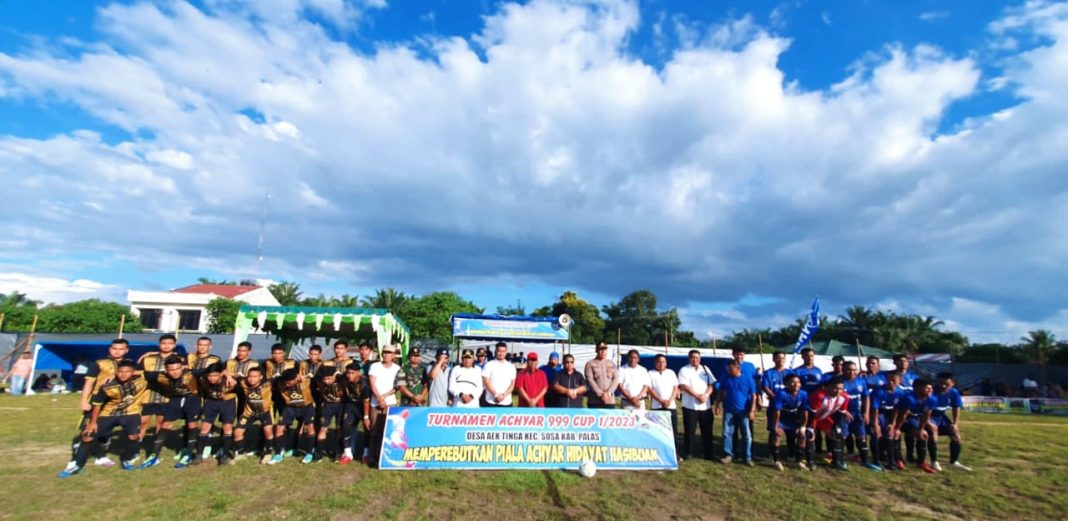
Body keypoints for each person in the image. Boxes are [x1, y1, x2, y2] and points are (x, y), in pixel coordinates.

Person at [58, 360, 147, 477]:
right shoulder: (107, 385)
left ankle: (126, 459)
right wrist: (93, 422)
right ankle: (78, 465)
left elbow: (155, 371)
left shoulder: (142, 379)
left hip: (131, 412)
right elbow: (97, 405)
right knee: (87, 436)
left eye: (127, 372)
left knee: (134, 436)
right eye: (120, 371)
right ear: (116, 372)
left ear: (133, 372)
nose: (123, 374)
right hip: (108, 413)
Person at [64, 338, 130, 473]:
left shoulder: (128, 365)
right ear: (110, 349)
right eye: (114, 348)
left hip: (115, 402)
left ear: (126, 350)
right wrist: (84, 401)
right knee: (88, 430)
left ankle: (100, 456)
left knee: (106, 431)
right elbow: (88, 383)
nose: (117, 352)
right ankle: (75, 461)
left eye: (121, 349)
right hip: (96, 401)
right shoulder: (99, 363)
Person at [139, 354, 201, 469]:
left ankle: (188, 454)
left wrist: (226, 375)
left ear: (182, 367)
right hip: (175, 400)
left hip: (192, 399)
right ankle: (154, 455)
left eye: (177, 369)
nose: (175, 372)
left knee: (192, 424)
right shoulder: (161, 376)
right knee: (165, 425)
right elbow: (140, 373)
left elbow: (214, 369)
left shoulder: (192, 373)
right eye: (171, 370)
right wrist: (114, 375)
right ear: (166, 370)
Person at [138, 334, 179, 450]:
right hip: (148, 394)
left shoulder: (179, 359)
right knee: (143, 421)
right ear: (159, 344)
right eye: (164, 343)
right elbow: (137, 372)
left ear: (174, 345)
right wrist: (145, 355)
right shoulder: (149, 359)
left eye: (170, 343)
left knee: (161, 422)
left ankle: (158, 445)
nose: (166, 346)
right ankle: (137, 443)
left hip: (167, 396)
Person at [194, 362, 238, 467]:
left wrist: (227, 375)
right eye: (209, 375)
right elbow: (195, 372)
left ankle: (225, 455)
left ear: (220, 374)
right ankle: (199, 454)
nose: (211, 378)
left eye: (214, 375)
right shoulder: (203, 379)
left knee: (227, 427)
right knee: (204, 427)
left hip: (227, 403)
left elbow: (239, 385)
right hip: (211, 402)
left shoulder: (230, 382)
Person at [716, 360, 757, 466]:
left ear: (737, 368)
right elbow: (720, 392)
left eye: (731, 369)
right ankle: (728, 454)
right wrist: (717, 405)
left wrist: (752, 410)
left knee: (746, 434)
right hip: (729, 410)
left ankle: (747, 457)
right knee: (727, 433)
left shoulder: (748, 379)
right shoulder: (726, 378)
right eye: (728, 370)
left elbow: (753, 396)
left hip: (743, 411)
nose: (729, 371)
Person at [233, 366, 278, 464]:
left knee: (267, 430)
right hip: (249, 412)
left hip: (265, 411)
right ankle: (240, 453)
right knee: (237, 432)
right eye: (249, 376)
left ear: (261, 377)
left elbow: (283, 377)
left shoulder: (268, 384)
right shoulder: (243, 382)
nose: (251, 379)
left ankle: (268, 453)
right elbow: (230, 375)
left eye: (255, 376)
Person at [677, 350, 715, 461]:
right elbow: (684, 386)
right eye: (693, 358)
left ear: (700, 358)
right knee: (689, 430)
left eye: (697, 358)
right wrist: (698, 396)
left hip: (705, 406)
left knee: (707, 430)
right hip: (690, 406)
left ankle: (709, 453)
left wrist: (706, 395)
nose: (695, 360)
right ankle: (689, 452)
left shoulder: (705, 369)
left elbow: (711, 384)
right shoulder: (684, 370)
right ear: (689, 358)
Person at [842, 361, 881, 471]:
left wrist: (866, 412)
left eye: (854, 369)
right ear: (843, 370)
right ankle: (843, 458)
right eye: (848, 369)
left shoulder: (861, 381)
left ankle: (864, 460)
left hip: (858, 414)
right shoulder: (840, 382)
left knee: (861, 436)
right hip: (844, 414)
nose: (851, 372)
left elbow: (866, 397)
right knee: (844, 435)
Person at [895, 378, 939, 474]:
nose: (930, 390)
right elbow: (902, 415)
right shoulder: (909, 398)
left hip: (916, 418)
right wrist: (897, 428)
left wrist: (921, 429)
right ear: (917, 388)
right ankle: (898, 459)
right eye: (927, 388)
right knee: (897, 434)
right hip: (901, 418)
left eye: (931, 388)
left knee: (924, 434)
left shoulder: (932, 399)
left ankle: (921, 462)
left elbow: (926, 414)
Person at [367, 345, 401, 467]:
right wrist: (379, 398)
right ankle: (371, 456)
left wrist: (385, 397)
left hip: (390, 403)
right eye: (384, 352)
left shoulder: (397, 368)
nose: (386, 354)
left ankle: (384, 457)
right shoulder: (375, 366)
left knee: (387, 432)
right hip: (376, 402)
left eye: (389, 352)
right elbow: (372, 384)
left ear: (394, 355)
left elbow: (397, 386)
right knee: (374, 431)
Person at [808, 377, 851, 471]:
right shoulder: (819, 396)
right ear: (827, 387)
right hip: (811, 418)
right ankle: (810, 462)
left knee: (836, 434)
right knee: (810, 435)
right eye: (836, 388)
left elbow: (840, 412)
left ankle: (837, 462)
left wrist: (836, 425)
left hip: (824, 418)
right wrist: (811, 427)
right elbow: (811, 413)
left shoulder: (845, 397)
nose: (838, 391)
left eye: (841, 389)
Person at [275, 368, 316, 464]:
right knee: (279, 427)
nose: (287, 385)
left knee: (309, 427)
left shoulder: (306, 381)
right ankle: (278, 454)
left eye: (289, 383)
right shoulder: (280, 382)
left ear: (296, 377)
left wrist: (301, 377)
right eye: (286, 383)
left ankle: (309, 453)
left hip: (306, 407)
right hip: (290, 407)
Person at [769, 374, 809, 471]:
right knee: (777, 435)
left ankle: (798, 461)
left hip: (794, 418)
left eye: (798, 382)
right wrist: (776, 427)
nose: (796, 384)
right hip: (781, 418)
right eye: (793, 382)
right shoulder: (781, 394)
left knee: (802, 436)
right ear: (786, 384)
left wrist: (803, 426)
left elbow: (805, 411)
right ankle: (776, 461)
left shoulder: (803, 394)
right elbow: (777, 412)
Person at [932, 373, 972, 471]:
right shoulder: (931, 391)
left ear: (953, 383)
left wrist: (955, 424)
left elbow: (956, 408)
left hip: (941, 417)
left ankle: (954, 462)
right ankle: (934, 461)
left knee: (956, 435)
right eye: (941, 383)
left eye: (946, 384)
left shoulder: (954, 392)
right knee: (933, 433)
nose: (943, 386)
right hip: (928, 416)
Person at [871, 371, 906, 470]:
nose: (891, 382)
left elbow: (896, 409)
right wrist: (876, 424)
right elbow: (875, 410)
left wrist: (893, 424)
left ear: (899, 381)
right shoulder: (879, 391)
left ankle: (892, 462)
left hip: (890, 415)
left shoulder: (900, 393)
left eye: (893, 380)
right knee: (876, 434)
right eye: (889, 380)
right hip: (879, 414)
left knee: (890, 434)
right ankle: (876, 460)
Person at [647, 354, 680, 452]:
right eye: (659, 362)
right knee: (658, 430)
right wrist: (660, 400)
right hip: (657, 406)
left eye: (663, 362)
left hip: (671, 405)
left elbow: (675, 388)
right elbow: (649, 389)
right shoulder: (650, 373)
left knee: (673, 430)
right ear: (655, 363)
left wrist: (669, 401)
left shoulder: (671, 373)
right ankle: (658, 450)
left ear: (666, 363)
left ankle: (675, 452)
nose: (661, 364)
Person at [339, 362, 370, 464]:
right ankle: (347, 453)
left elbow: (366, 401)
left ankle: (366, 453)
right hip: (350, 405)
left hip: (362, 406)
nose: (349, 375)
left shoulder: (365, 384)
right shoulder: (345, 378)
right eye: (348, 373)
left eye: (352, 373)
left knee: (367, 429)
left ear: (358, 373)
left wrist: (366, 417)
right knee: (345, 426)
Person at [313, 367, 346, 462]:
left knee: (339, 428)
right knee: (323, 428)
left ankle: (338, 452)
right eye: (325, 379)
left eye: (329, 379)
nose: (327, 381)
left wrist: (337, 375)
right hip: (327, 406)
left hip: (340, 406)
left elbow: (345, 376)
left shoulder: (341, 381)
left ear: (334, 376)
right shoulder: (319, 382)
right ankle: (319, 453)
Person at [761, 351, 791, 455]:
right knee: (774, 428)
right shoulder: (769, 373)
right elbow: (765, 386)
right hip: (774, 405)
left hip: (788, 406)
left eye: (783, 358)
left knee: (789, 429)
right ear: (774, 359)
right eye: (778, 358)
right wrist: (776, 398)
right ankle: (772, 451)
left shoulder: (790, 373)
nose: (781, 360)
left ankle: (791, 451)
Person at [892, 354, 919, 461]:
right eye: (900, 361)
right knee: (895, 431)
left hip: (910, 411)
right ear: (894, 362)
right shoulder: (889, 375)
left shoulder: (914, 377)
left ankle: (910, 455)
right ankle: (897, 456)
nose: (903, 363)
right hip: (894, 410)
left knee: (911, 430)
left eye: (905, 361)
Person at [585, 342, 619, 409]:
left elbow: (616, 379)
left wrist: (608, 393)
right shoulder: (590, 364)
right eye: (600, 349)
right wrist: (601, 394)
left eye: (605, 349)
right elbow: (590, 380)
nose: (603, 352)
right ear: (596, 350)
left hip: (609, 400)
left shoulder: (612, 364)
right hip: (595, 400)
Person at [482, 342, 517, 407]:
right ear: (495, 351)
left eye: (503, 351)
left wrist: (503, 395)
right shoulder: (489, 365)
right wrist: (496, 395)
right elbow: (486, 382)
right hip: (491, 401)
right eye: (499, 351)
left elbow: (512, 384)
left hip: (506, 402)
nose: (501, 353)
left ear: (506, 352)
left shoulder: (511, 366)